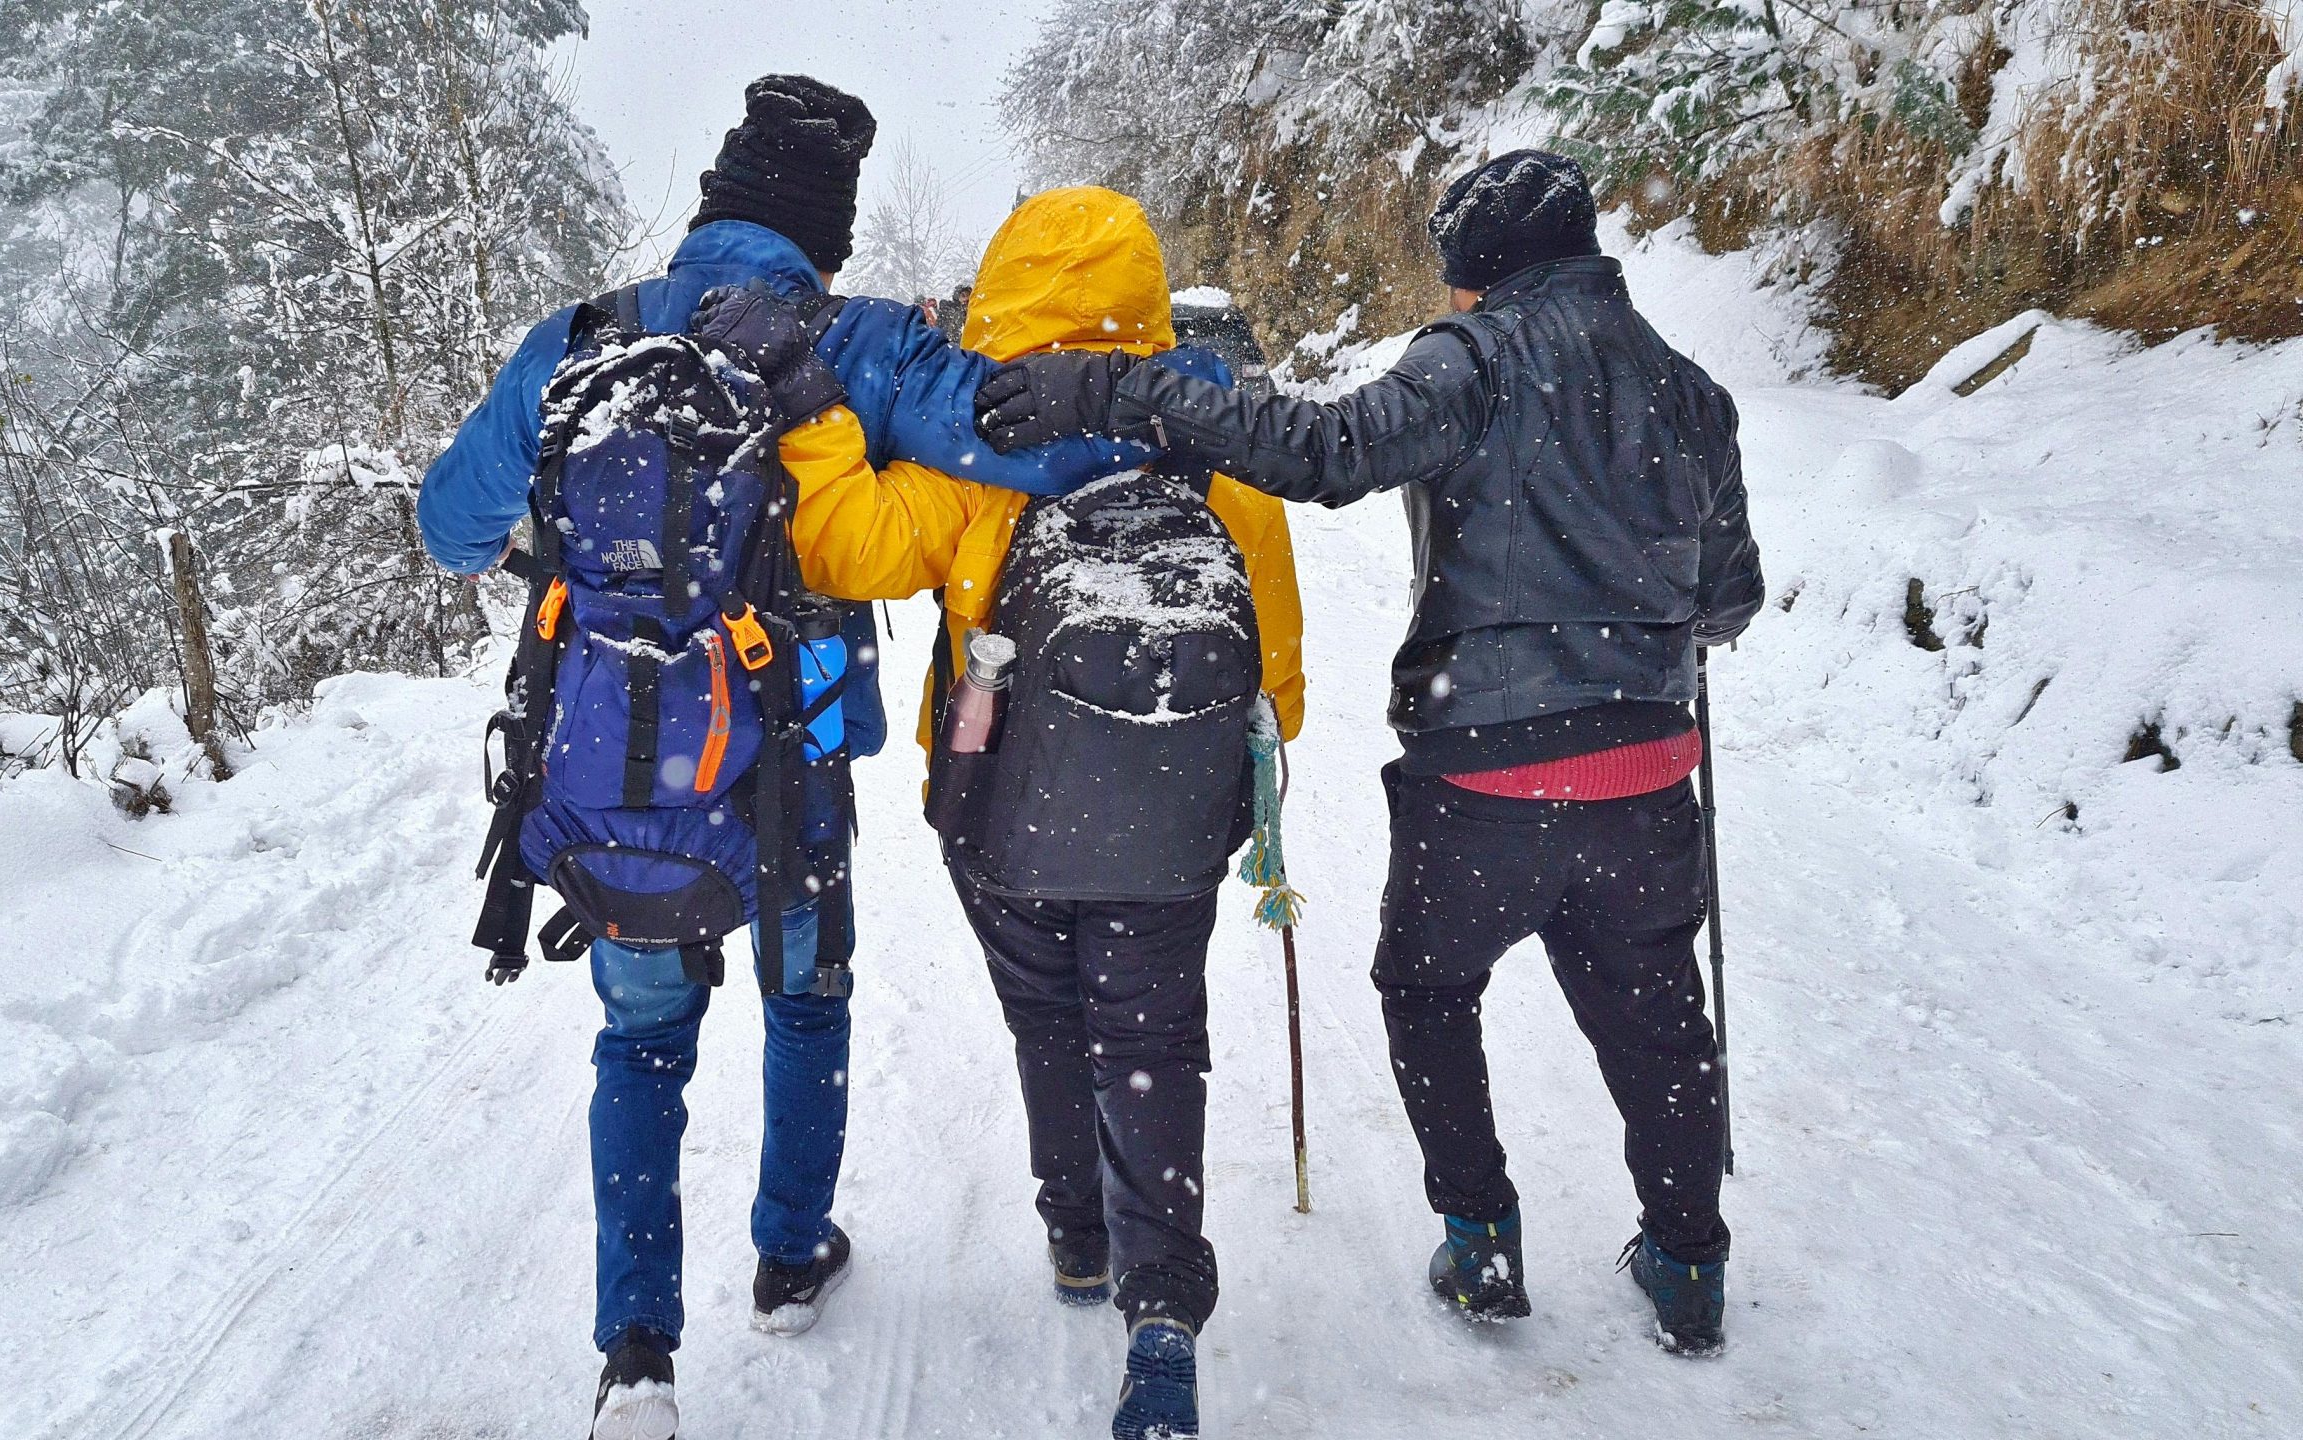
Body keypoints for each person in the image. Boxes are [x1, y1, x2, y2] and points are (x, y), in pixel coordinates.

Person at [418, 77, 1164, 1440]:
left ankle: (638, 1355)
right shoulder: (853, 343)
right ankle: (788, 1251)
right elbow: (1030, 444)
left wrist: (556, 544)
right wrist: (1182, 406)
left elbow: (449, 524)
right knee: (805, 1006)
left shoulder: (581, 339)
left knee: (640, 1045)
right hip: (787, 767)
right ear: (825, 234)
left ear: (711, 202)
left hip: (615, 775)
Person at [973, 150, 1765, 1356]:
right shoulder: (1693, 394)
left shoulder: (1475, 360)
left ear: (1479, 277)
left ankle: (1483, 1238)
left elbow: (1322, 451)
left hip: (1485, 774)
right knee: (1660, 1016)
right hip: (1648, 772)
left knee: (1431, 989)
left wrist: (1117, 394)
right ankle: (1688, 1262)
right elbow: (1727, 604)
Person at [696, 186, 1305, 1440]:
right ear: (1143, 294)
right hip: (1168, 832)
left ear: (1006, 296)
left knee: (1048, 1021)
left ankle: (1077, 1237)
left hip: (1005, 814)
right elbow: (1275, 683)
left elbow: (844, 550)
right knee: (1152, 1039)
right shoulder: (1218, 458)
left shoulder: (989, 452)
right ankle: (1161, 1315)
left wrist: (814, 413)